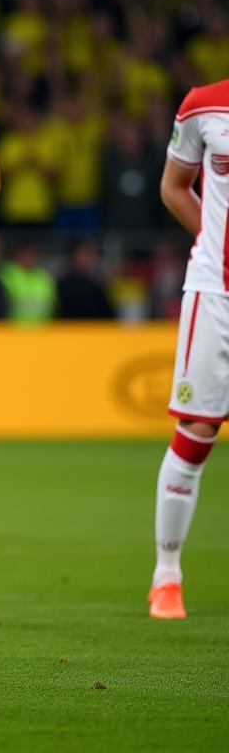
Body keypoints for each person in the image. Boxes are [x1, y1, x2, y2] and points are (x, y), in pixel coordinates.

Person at [148, 78, 229, 619]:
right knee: (198, 431)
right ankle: (167, 575)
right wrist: (211, 240)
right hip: (217, 291)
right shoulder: (205, 103)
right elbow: (174, 186)